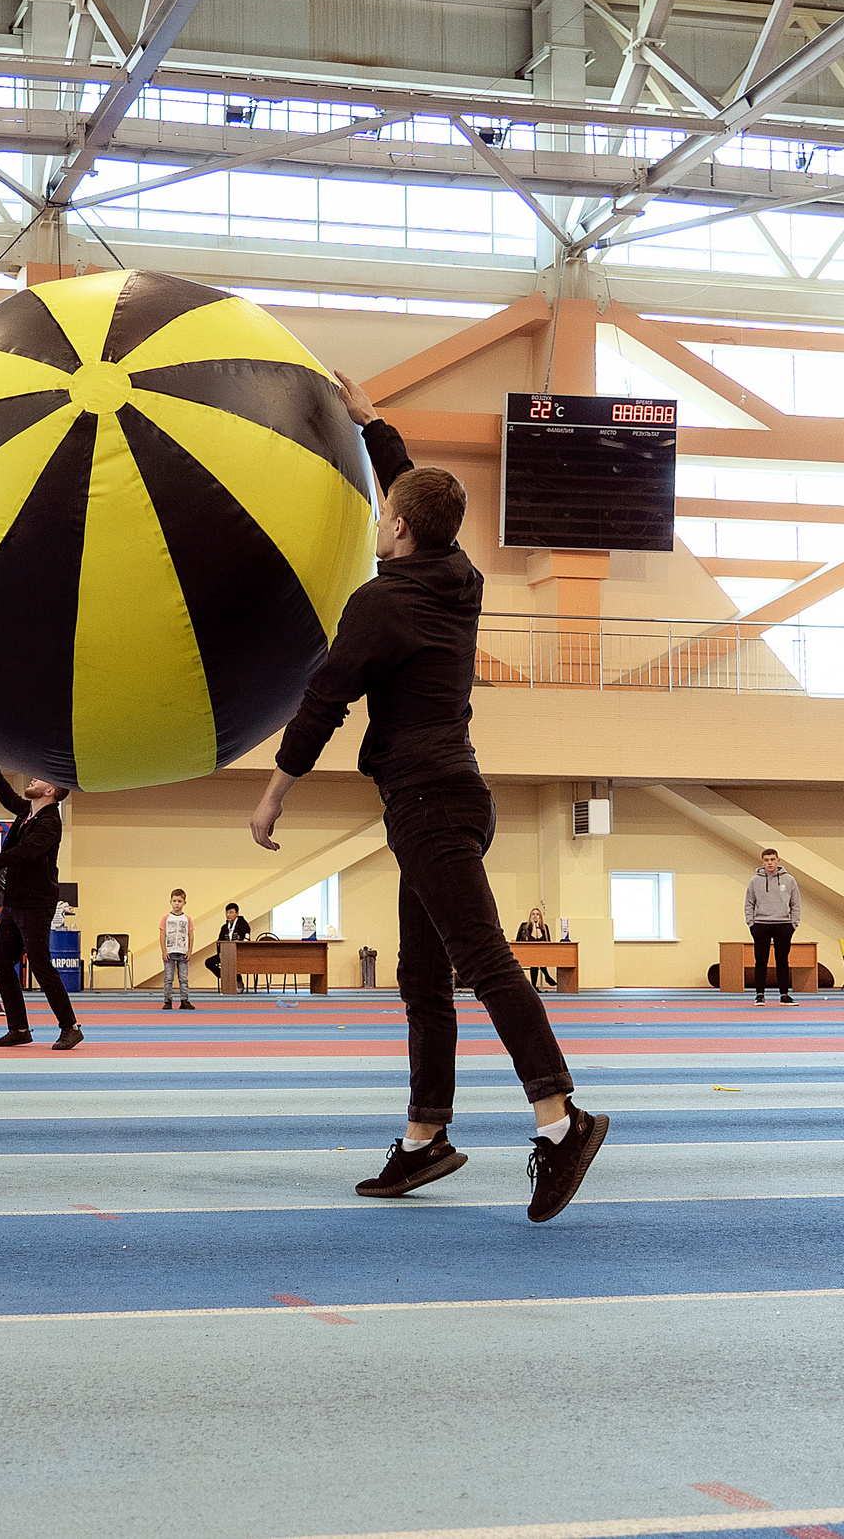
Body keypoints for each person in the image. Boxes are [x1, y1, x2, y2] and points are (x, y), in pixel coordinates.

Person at [252, 370, 604, 1224]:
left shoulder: (380, 604)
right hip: (452, 797)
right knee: (423, 976)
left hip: (428, 805)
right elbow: (416, 490)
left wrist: (272, 796)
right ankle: (424, 1139)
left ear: (399, 529)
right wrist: (373, 425)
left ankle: (561, 1121)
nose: (377, 521)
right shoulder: (460, 578)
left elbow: (323, 703)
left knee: (481, 963)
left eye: (383, 515)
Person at [0, 761, 81, 1050]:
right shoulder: (26, 812)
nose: (32, 779)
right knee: (2, 967)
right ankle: (19, 1028)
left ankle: (70, 1027)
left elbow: (26, 852)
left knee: (41, 965)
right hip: (14, 902)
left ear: (49, 791)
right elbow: (5, 795)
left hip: (36, 903)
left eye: (39, 779)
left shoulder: (50, 823)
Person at [743, 851, 800, 1006]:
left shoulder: (789, 880)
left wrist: (793, 924)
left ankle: (784, 995)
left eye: (772, 860)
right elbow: (749, 903)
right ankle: (759, 995)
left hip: (783, 925)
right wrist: (751, 923)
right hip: (761, 925)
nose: (769, 863)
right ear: (762, 862)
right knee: (760, 961)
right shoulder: (755, 881)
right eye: (766, 860)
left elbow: (795, 903)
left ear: (778, 861)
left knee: (783, 961)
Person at [159, 889, 196, 1012]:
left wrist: (189, 951)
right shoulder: (166, 918)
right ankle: (167, 1001)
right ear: (170, 902)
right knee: (168, 978)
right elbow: (162, 935)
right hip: (170, 952)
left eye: (179, 901)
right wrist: (164, 951)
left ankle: (184, 1000)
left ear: (184, 903)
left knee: (183, 978)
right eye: (174, 901)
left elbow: (190, 935)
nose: (177, 904)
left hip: (183, 952)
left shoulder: (187, 918)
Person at [203, 902, 251, 983]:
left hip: (239, 955)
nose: (228, 915)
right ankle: (226, 977)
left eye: (231, 912)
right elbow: (219, 942)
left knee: (232, 962)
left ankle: (237, 979)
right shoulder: (224, 927)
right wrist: (220, 953)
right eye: (227, 912)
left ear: (237, 913)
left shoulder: (243, 924)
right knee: (209, 962)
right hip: (225, 954)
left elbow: (246, 939)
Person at [515, 906, 557, 990]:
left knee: (536, 959)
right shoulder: (524, 926)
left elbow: (545, 941)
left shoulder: (544, 927)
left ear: (540, 917)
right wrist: (534, 927)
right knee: (535, 959)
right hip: (525, 953)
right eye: (533, 914)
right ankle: (546, 976)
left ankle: (534, 986)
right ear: (530, 916)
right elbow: (532, 940)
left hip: (540, 955)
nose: (535, 916)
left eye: (537, 914)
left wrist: (538, 927)